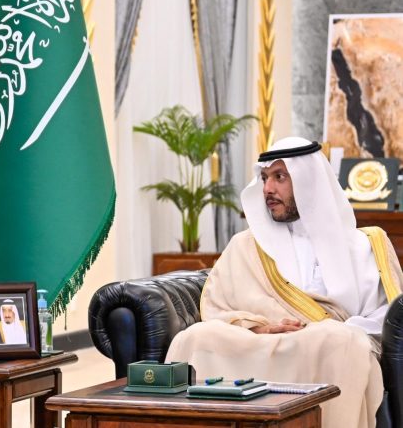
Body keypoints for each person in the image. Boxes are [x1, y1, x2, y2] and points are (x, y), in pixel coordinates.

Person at [166, 137, 403, 428]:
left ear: (309, 181)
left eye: (280, 177)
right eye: (265, 178)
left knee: (342, 341)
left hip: (327, 342)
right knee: (196, 336)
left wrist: (323, 329)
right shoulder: (246, 245)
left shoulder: (364, 244)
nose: (268, 188)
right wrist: (260, 327)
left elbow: (385, 318)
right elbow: (217, 308)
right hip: (261, 340)